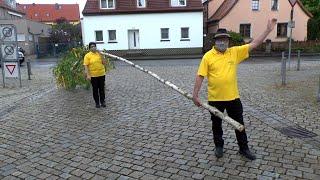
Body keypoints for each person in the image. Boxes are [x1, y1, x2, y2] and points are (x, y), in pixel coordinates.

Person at [192, 19, 277, 160]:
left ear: (228, 41)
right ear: (215, 41)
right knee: (216, 125)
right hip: (215, 99)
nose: (223, 42)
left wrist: (268, 30)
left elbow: (254, 44)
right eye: (220, 39)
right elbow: (200, 76)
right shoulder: (208, 56)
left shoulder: (234, 52)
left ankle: (244, 148)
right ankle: (219, 146)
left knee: (239, 124)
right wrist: (195, 96)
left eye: (225, 39)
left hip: (233, 98)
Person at [83, 42, 107, 108]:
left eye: (94, 46)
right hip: (93, 75)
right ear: (89, 48)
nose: (93, 48)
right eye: (92, 47)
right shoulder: (87, 56)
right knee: (95, 89)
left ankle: (102, 101)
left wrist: (101, 55)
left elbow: (104, 63)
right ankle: (97, 103)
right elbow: (86, 66)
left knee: (102, 89)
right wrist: (88, 75)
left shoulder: (100, 54)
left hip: (101, 74)